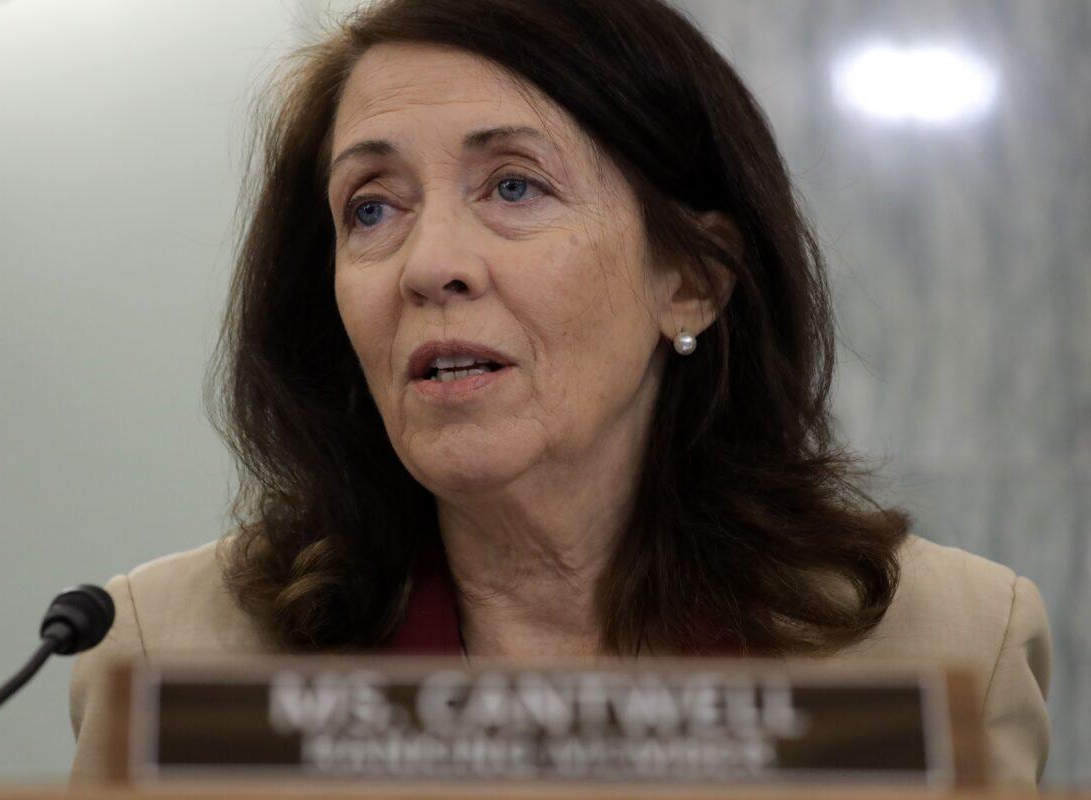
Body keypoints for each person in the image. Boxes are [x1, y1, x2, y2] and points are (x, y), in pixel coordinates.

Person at [69, 0, 1051, 786]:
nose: (430, 264)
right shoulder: (166, 652)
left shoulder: (950, 641)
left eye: (514, 186)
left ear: (691, 278)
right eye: (372, 207)